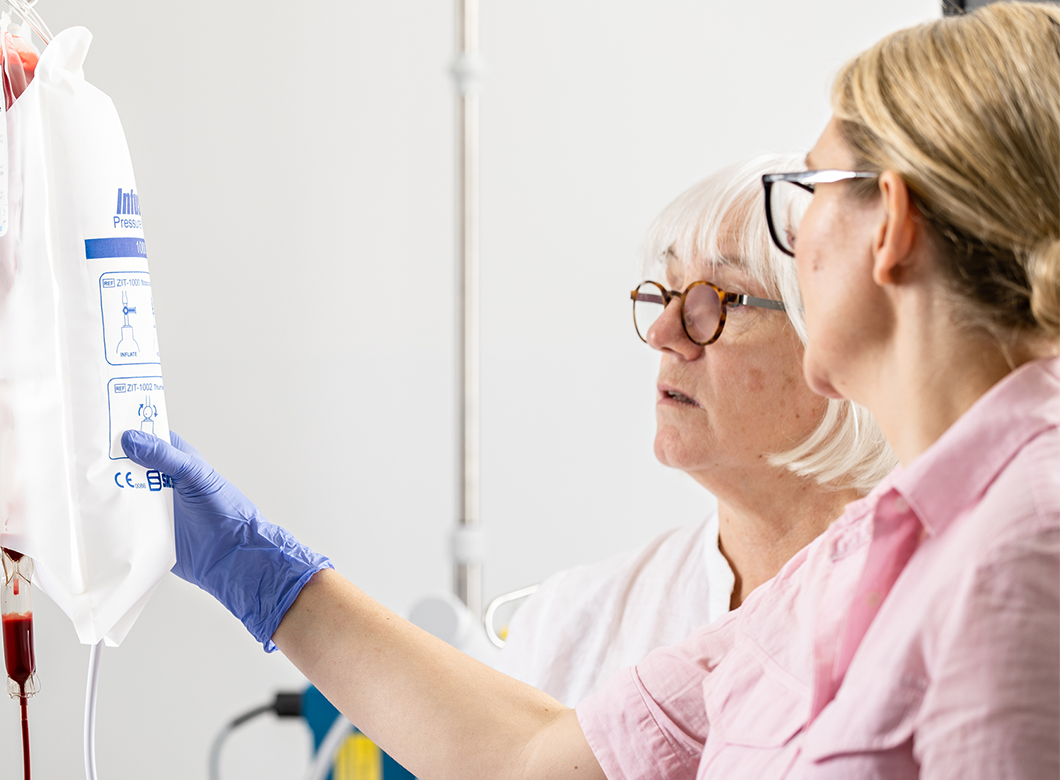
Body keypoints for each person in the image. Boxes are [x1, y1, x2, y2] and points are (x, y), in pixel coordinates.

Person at [122, 3, 1060, 777]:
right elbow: (534, 758)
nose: (801, 235)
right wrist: (260, 572)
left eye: (807, 192)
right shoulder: (867, 557)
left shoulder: (1022, 548)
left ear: (889, 224)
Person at [496, 154, 894, 706]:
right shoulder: (571, 620)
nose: (663, 332)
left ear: (839, 344)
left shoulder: (934, 608)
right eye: (669, 290)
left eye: (721, 300)